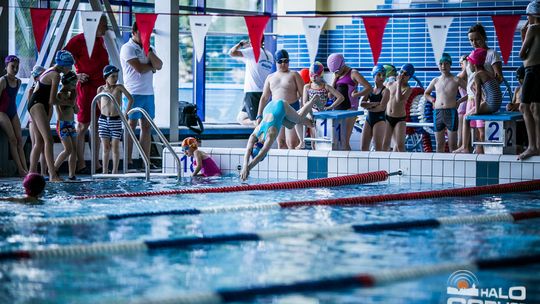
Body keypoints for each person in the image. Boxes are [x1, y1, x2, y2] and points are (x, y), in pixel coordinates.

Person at [64, 14, 109, 174]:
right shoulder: (78, 41)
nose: (107, 27)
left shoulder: (100, 41)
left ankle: (96, 163)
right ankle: (81, 162)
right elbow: (61, 60)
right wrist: (76, 76)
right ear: (95, 25)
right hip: (86, 88)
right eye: (105, 24)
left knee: (97, 126)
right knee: (83, 126)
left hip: (101, 90)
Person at [454, 23, 503, 154]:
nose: (474, 42)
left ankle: (482, 153)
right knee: (472, 127)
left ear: (484, 37)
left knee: (481, 128)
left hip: (483, 97)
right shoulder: (472, 55)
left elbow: (499, 78)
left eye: (477, 39)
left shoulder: (492, 54)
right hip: (471, 97)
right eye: (471, 40)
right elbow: (466, 77)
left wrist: (485, 81)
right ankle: (470, 149)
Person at [120, 21, 163, 168]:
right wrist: (151, 66)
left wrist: (149, 52)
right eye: (142, 33)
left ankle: (146, 161)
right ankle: (128, 161)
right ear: (134, 32)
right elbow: (138, 68)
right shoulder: (127, 48)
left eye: (148, 34)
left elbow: (159, 65)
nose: (146, 36)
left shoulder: (150, 48)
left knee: (146, 127)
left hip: (148, 93)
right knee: (130, 126)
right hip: (132, 93)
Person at [241, 99, 315, 180]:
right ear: (255, 146)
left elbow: (261, 154)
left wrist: (248, 169)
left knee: (298, 119)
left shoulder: (270, 135)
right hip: (268, 108)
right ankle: (306, 112)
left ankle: (312, 101)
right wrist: (245, 167)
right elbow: (248, 150)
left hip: (280, 106)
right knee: (290, 125)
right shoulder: (255, 134)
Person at [28, 50, 74, 182]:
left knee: (39, 142)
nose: (70, 69)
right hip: (38, 104)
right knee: (48, 140)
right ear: (64, 65)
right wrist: (68, 102)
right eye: (69, 66)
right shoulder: (55, 75)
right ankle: (53, 175)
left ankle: (31, 173)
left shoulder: (49, 71)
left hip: (35, 104)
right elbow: (52, 100)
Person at [257, 49, 304, 149]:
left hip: (292, 109)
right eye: (280, 61)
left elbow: (303, 94)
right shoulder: (270, 77)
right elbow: (265, 97)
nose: (283, 64)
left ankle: (294, 164)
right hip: (277, 112)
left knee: (292, 143)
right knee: (281, 142)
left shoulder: (294, 75)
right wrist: (259, 115)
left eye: (286, 61)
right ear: (275, 62)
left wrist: (304, 112)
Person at [327, 53, 373, 150]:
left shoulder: (353, 73)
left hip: (350, 109)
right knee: (337, 141)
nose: (336, 73)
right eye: (334, 71)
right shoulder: (336, 75)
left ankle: (349, 163)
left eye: (338, 70)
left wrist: (357, 94)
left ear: (343, 64)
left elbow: (369, 88)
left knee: (344, 141)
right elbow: (330, 96)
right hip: (337, 110)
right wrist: (335, 79)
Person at [424, 53, 467, 153]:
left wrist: (459, 101)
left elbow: (471, 92)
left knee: (453, 146)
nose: (443, 66)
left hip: (451, 113)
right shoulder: (435, 80)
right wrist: (433, 100)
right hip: (438, 113)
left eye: (446, 63)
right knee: (439, 145)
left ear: (450, 65)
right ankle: (439, 168)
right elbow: (426, 93)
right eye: (441, 64)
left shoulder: (456, 79)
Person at [298, 61, 344, 149]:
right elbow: (304, 102)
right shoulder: (307, 87)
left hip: (321, 112)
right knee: (313, 141)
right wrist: (310, 110)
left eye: (316, 76)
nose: (314, 78)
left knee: (316, 98)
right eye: (311, 75)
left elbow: (341, 97)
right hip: (311, 112)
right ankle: (301, 141)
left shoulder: (326, 86)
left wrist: (330, 107)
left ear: (321, 75)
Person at [97, 65, 134, 174]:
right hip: (103, 120)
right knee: (106, 147)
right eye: (113, 76)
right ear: (106, 77)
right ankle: (104, 171)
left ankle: (115, 171)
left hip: (116, 120)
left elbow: (130, 99)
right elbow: (98, 102)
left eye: (116, 76)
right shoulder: (101, 89)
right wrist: (103, 112)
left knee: (115, 147)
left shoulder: (119, 88)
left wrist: (126, 112)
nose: (115, 78)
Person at [229, 36, 274, 125]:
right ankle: (262, 127)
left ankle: (263, 135)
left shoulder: (253, 51)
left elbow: (232, 53)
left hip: (253, 93)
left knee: (257, 121)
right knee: (240, 118)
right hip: (263, 92)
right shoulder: (269, 55)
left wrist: (241, 44)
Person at [518, 0, 540, 160]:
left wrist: (522, 35)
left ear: (532, 15)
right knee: (536, 110)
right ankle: (538, 146)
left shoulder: (533, 28)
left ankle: (532, 147)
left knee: (524, 107)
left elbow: (522, 54)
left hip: (532, 71)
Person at [0, 55, 28, 176]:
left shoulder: (18, 81)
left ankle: (26, 169)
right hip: (2, 112)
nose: (15, 69)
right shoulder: (2, 80)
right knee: (12, 139)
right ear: (6, 67)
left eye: (17, 67)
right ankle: (20, 170)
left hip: (13, 112)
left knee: (20, 140)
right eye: (12, 67)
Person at [382, 64, 414, 152]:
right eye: (401, 72)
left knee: (399, 145)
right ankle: (383, 164)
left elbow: (399, 99)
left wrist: (399, 84)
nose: (402, 75)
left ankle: (403, 165)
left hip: (399, 119)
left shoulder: (408, 89)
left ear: (409, 77)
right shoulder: (390, 83)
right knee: (385, 144)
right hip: (388, 117)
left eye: (405, 74)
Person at [53, 71, 79, 180]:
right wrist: (71, 100)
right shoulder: (59, 95)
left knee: (74, 150)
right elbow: (61, 111)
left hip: (71, 124)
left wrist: (74, 99)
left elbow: (76, 111)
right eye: (73, 84)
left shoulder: (70, 95)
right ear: (66, 83)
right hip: (62, 125)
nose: (74, 87)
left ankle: (71, 175)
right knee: (68, 149)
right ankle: (53, 169)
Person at [360, 64, 390, 151]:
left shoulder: (386, 91)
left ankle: (380, 165)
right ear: (374, 76)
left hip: (379, 120)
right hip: (369, 119)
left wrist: (368, 106)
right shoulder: (369, 90)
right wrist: (374, 104)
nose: (382, 77)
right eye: (379, 75)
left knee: (378, 149)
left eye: (384, 75)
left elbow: (381, 108)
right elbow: (362, 103)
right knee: (363, 148)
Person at [28, 65, 47, 176]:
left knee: (44, 146)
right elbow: (30, 109)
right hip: (33, 121)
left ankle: (43, 172)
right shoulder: (32, 90)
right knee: (37, 144)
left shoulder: (44, 90)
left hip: (42, 119)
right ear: (36, 78)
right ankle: (32, 171)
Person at [507, 66, 528, 153]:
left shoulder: (530, 89)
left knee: (526, 144)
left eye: (521, 79)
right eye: (518, 78)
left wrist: (516, 105)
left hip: (526, 120)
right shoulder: (517, 89)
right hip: (517, 120)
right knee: (517, 145)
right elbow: (512, 103)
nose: (519, 81)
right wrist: (510, 106)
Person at [456, 55, 469, 149]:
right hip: (463, 107)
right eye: (462, 63)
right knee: (460, 137)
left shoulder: (473, 75)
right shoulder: (459, 76)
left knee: (471, 138)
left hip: (471, 107)